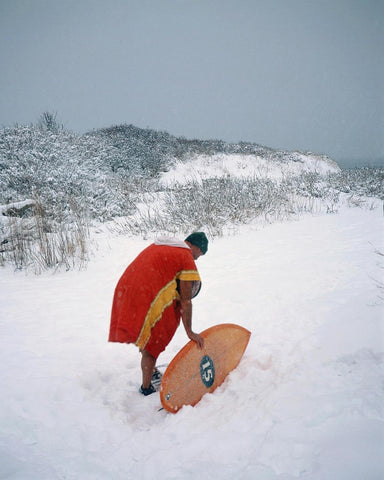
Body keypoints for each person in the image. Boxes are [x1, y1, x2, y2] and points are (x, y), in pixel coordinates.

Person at [109, 232, 208, 396]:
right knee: (154, 340)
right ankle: (146, 387)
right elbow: (186, 300)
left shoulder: (165, 246)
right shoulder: (185, 256)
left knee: (148, 333)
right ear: (195, 246)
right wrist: (190, 332)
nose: (197, 258)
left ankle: (151, 369)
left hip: (126, 289)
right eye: (200, 254)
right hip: (143, 294)